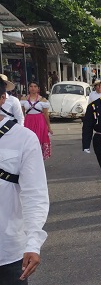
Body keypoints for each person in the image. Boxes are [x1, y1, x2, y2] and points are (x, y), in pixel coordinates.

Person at [0, 79, 50, 285]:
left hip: (8, 250)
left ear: (2, 99)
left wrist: (33, 242)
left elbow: (34, 194)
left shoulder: (23, 138)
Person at [21, 82, 53, 160]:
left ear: (38, 88)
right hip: (28, 122)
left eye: (35, 86)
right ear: (28, 88)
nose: (33, 88)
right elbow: (21, 114)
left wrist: (49, 126)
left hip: (40, 121)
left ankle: (39, 159)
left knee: (39, 140)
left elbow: (46, 114)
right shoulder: (23, 99)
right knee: (29, 141)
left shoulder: (43, 100)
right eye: (31, 86)